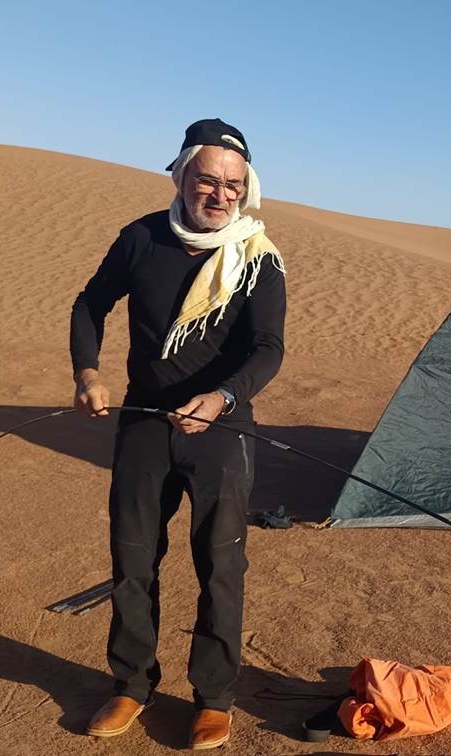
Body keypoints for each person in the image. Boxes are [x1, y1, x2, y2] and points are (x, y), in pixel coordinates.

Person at [70, 118, 286, 749]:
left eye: (232, 185)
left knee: (221, 564)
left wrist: (221, 398)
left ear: (245, 191)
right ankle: (131, 685)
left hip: (222, 427)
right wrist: (88, 373)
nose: (219, 195)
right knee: (133, 558)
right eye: (207, 179)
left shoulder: (257, 257)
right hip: (143, 420)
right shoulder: (140, 238)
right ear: (181, 175)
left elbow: (269, 348)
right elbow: (90, 303)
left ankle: (214, 697)